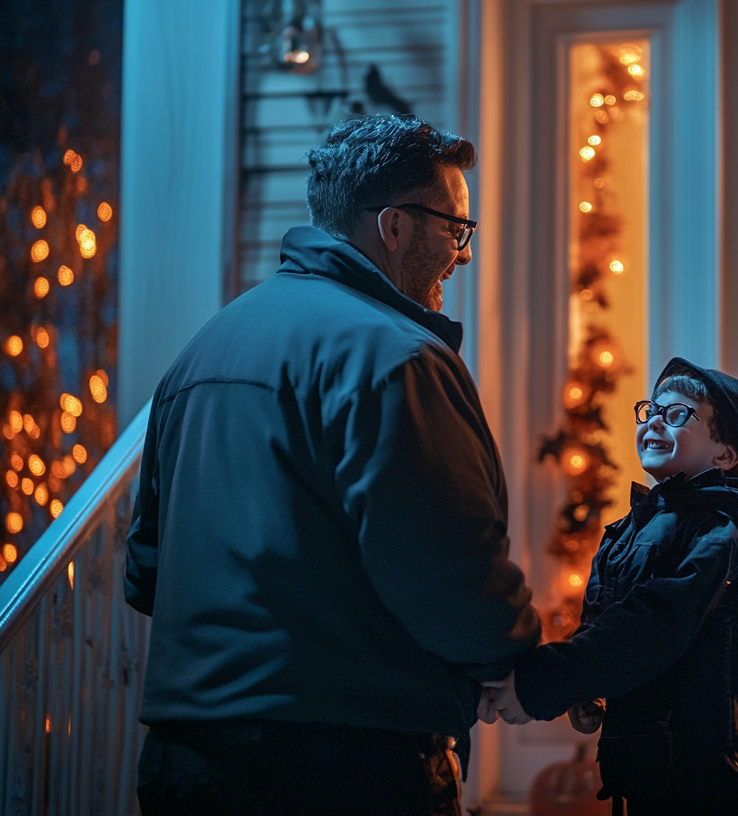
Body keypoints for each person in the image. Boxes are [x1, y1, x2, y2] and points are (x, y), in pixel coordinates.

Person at [124, 114, 540, 816]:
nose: (462, 255)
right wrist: (517, 658)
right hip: (345, 762)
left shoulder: (201, 354)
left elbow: (146, 571)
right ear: (396, 226)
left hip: (184, 764)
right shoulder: (395, 357)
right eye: (455, 229)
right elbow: (446, 566)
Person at [480, 358, 738, 816]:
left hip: (718, 783)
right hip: (657, 777)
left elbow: (655, 621)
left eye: (677, 414)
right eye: (650, 410)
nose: (654, 422)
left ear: (726, 455)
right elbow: (612, 621)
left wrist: (549, 681)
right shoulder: (636, 527)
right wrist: (591, 686)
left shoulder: (723, 529)